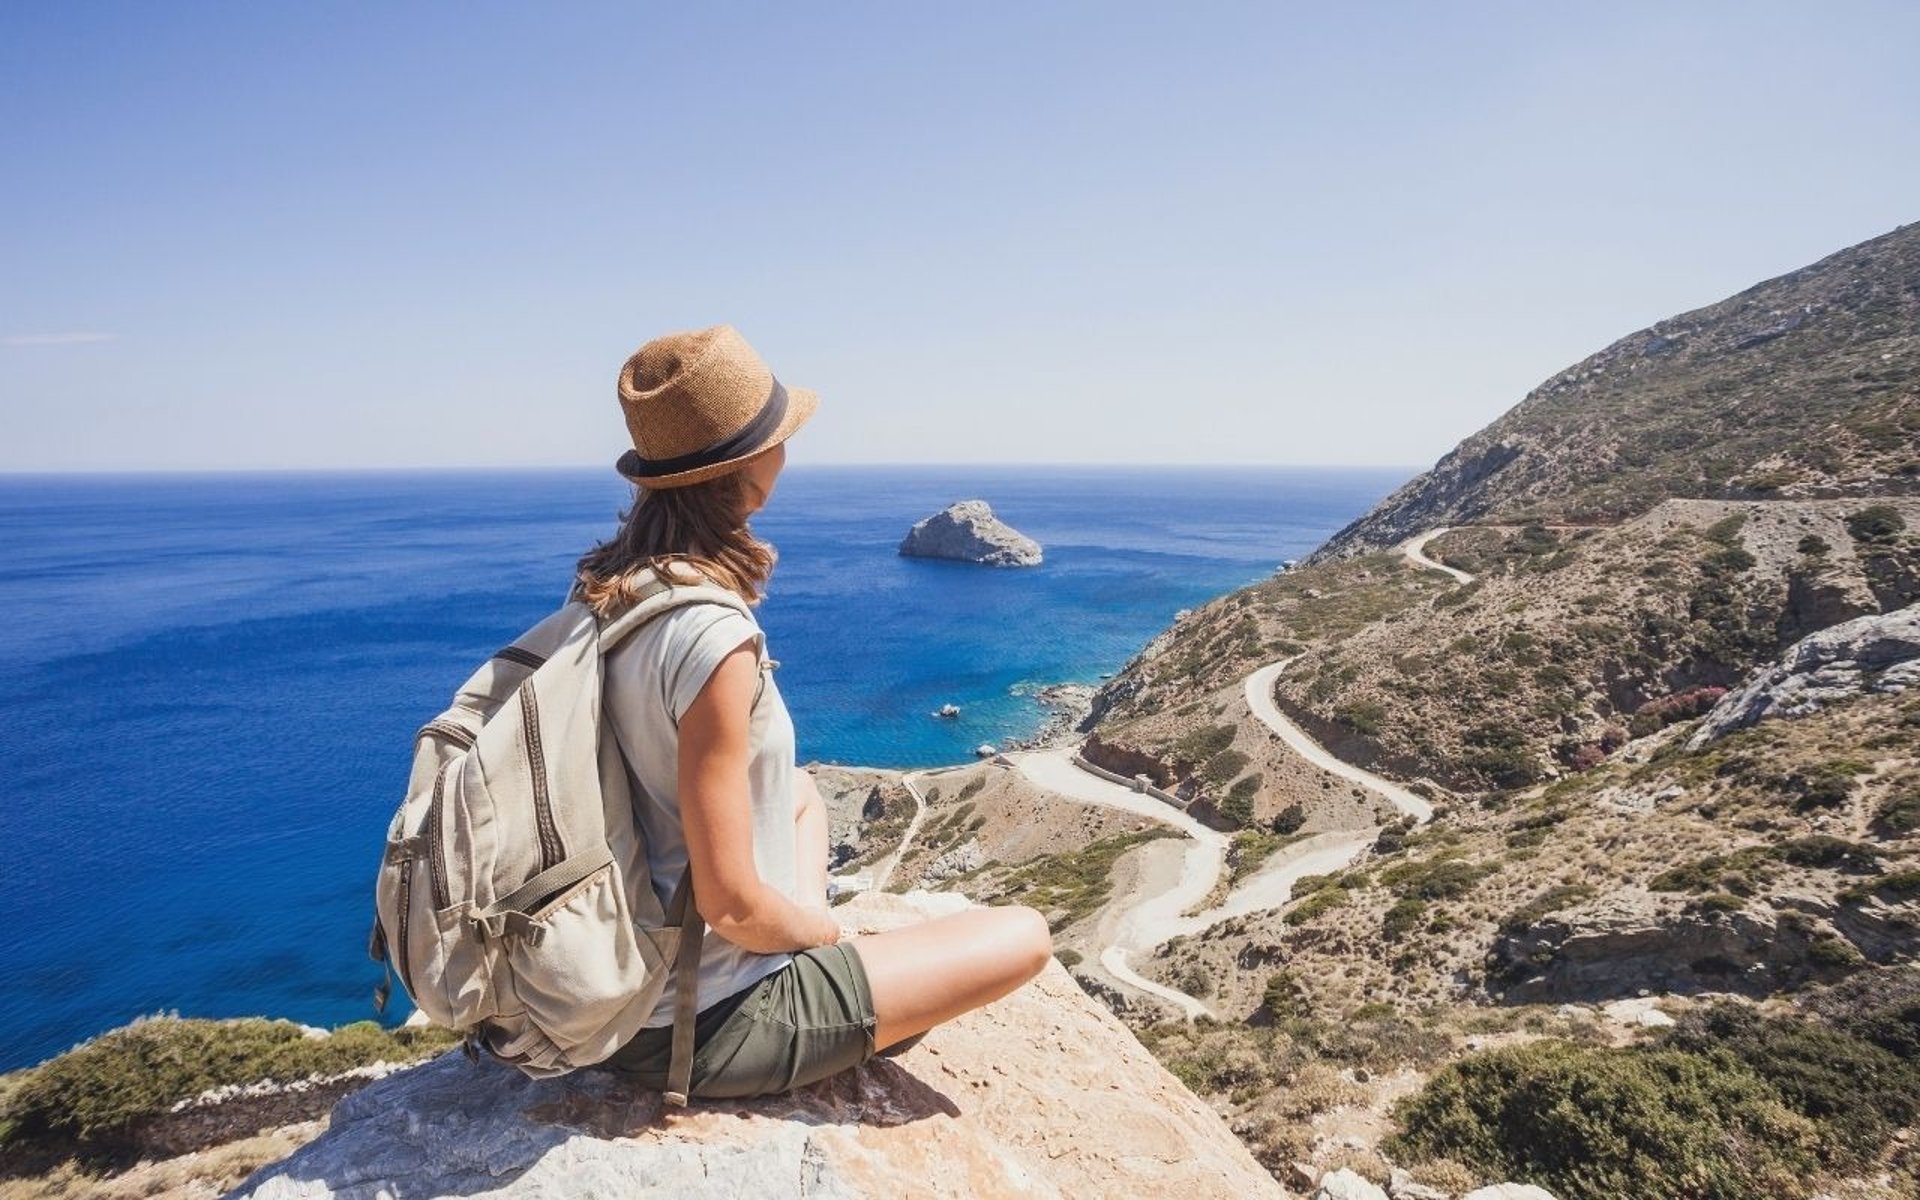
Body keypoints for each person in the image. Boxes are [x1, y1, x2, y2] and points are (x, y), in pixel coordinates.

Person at [575, 325, 1052, 1100]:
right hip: (702, 1021)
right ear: (750, 468)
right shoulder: (714, 636)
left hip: (618, 980)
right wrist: (819, 932)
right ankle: (802, 973)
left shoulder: (609, 591)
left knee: (797, 792)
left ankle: (794, 957)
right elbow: (729, 903)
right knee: (1024, 937)